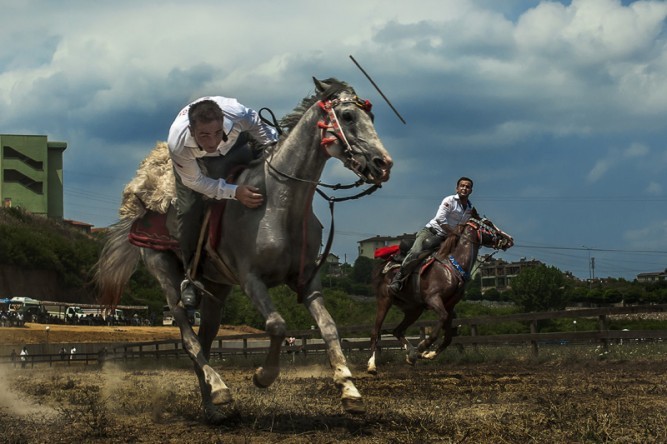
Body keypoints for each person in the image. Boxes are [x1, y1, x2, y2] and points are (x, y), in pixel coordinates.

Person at [168, 96, 279, 309]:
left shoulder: (236, 113)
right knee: (189, 209)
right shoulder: (178, 143)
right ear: (192, 131)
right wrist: (235, 192)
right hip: (196, 164)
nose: (212, 142)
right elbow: (196, 181)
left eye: (217, 133)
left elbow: (256, 123)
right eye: (204, 135)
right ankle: (191, 277)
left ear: (223, 122)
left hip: (237, 141)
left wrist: (272, 146)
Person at [388, 177, 475, 295]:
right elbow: (440, 218)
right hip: (431, 231)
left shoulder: (469, 209)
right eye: (462, 186)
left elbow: (463, 225)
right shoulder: (449, 200)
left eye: (467, 186)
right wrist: (453, 233)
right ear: (457, 188)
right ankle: (398, 279)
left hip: (446, 238)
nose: (464, 188)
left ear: (471, 190)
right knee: (415, 252)